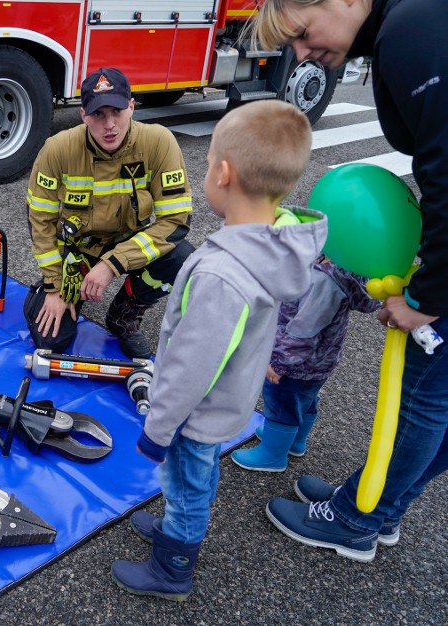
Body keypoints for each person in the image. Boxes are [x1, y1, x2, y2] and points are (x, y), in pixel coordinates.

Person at [250, 0, 447, 563]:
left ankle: (357, 519)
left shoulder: (412, 29)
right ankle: (379, 505)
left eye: (304, 34)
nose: (304, 54)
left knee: (423, 402)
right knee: (436, 399)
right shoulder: (412, 22)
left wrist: (427, 296)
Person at [111, 100, 326, 600]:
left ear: (224, 174)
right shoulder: (268, 250)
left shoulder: (220, 275)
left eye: (206, 166)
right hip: (226, 400)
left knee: (188, 482)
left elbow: (193, 364)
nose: (205, 174)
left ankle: (172, 569)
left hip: (194, 413)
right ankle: (173, 525)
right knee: (194, 477)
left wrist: (158, 427)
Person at [24, 67, 195, 359]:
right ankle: (53, 295)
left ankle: (124, 314)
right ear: (83, 115)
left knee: (181, 257)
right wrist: (54, 286)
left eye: (117, 111)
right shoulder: (57, 149)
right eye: (98, 114)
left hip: (130, 243)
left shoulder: (158, 142)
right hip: (78, 253)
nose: (109, 124)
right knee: (50, 342)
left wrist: (112, 264)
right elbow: (40, 222)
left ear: (131, 106)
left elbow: (175, 222)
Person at [231, 256, 380, 472]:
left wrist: (280, 362)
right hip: (320, 360)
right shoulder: (349, 268)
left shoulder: (323, 279)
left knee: (281, 405)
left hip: (296, 363)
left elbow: (304, 330)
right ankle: (294, 441)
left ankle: (272, 455)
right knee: (304, 400)